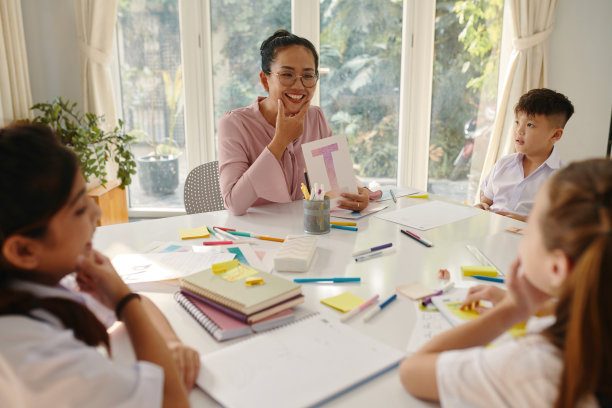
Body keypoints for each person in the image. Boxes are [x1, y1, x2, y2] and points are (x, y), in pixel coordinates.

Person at [0, 124, 200, 407]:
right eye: (80, 208)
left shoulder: (36, 284)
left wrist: (168, 344)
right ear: (23, 250)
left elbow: (133, 301)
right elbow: (172, 400)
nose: (98, 212)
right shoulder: (39, 362)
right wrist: (124, 301)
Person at [400, 159, 612, 407]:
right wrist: (540, 307)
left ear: (556, 268)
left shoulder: (534, 368)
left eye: (530, 225)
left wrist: (512, 310)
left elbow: (412, 372)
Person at [218, 29, 380, 216]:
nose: (299, 86)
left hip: (307, 231)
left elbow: (337, 179)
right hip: (259, 237)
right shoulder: (235, 123)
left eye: (308, 76)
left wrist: (360, 192)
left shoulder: (316, 117)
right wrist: (280, 141)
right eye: (287, 75)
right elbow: (234, 204)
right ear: (265, 79)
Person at [475, 88, 574, 222]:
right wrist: (482, 206)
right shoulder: (503, 164)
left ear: (556, 134)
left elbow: (561, 228)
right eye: (517, 122)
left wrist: (525, 223)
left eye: (530, 125)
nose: (519, 131)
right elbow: (487, 201)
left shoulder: (563, 179)